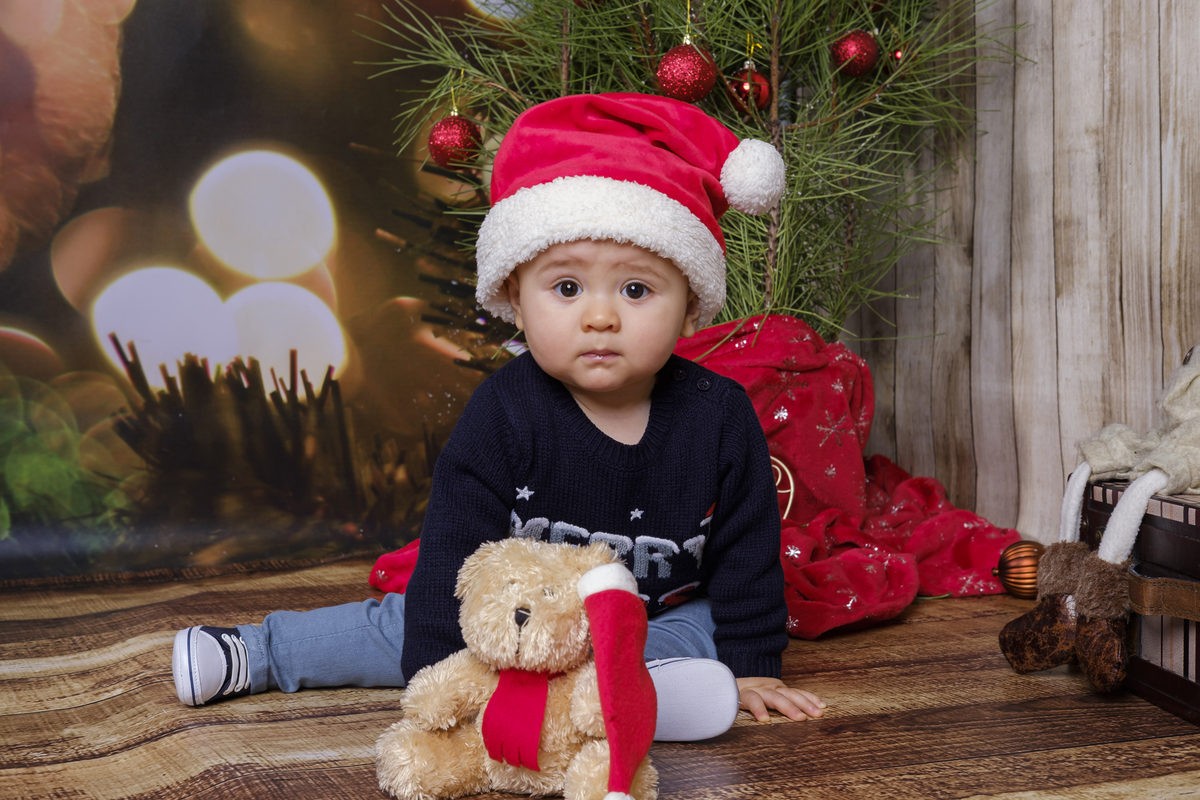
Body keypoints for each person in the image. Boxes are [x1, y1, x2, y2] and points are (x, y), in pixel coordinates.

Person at [172, 93, 825, 740]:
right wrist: (439, 678)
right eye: (566, 288)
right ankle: (256, 653)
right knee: (398, 625)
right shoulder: (504, 411)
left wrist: (749, 668)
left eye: (636, 289)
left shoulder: (718, 417)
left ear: (690, 306)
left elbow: (747, 555)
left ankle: (633, 692)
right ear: (515, 296)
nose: (601, 317)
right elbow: (450, 554)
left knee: (700, 627)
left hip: (644, 620)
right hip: (507, 622)